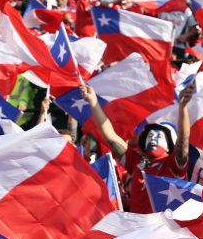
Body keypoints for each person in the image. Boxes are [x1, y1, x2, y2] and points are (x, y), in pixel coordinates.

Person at [79, 83, 192, 213]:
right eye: (150, 135)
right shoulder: (136, 160)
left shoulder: (173, 164)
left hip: (164, 224)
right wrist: (93, 102)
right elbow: (110, 136)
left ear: (169, 145)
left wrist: (183, 107)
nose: (153, 138)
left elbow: (183, 140)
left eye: (159, 136)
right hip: (136, 223)